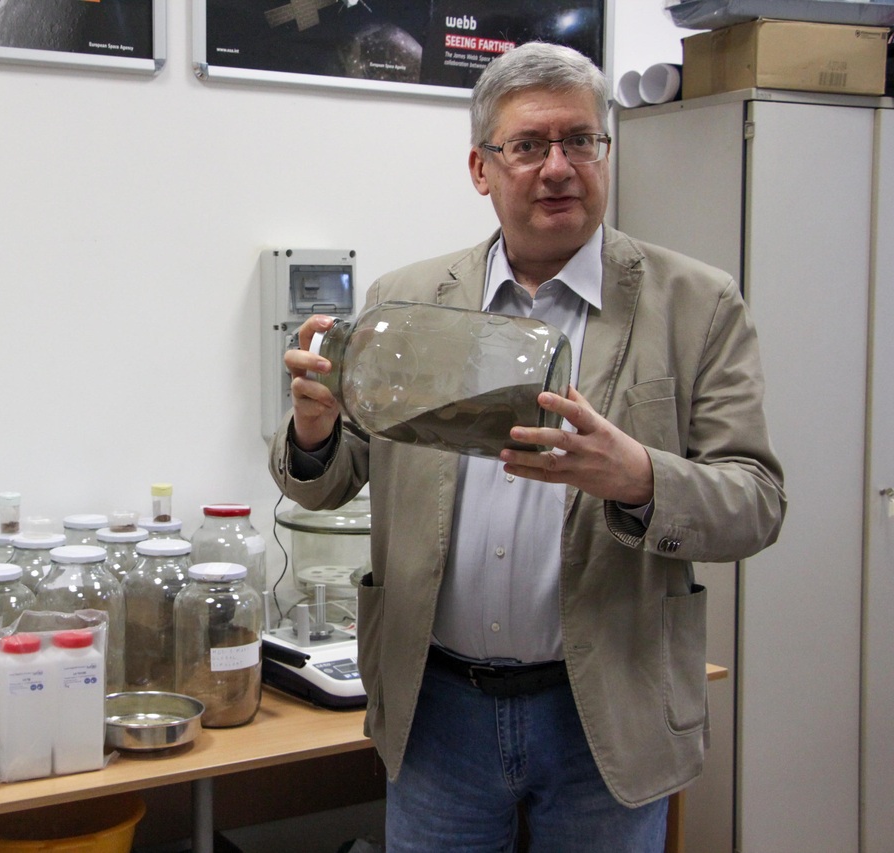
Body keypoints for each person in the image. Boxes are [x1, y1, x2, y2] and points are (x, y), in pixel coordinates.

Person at [268, 42, 786, 852]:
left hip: (607, 712)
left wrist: (640, 477)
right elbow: (324, 484)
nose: (559, 166)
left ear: (605, 154)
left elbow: (755, 501)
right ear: (481, 168)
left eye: (581, 140)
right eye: (529, 145)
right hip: (437, 711)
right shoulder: (402, 302)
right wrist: (312, 431)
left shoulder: (695, 303)